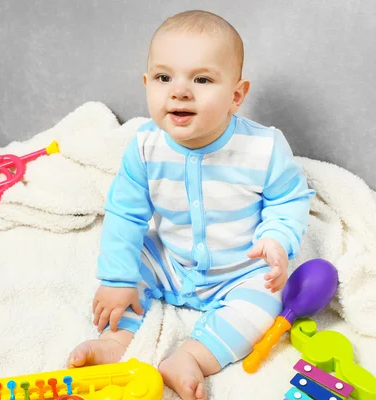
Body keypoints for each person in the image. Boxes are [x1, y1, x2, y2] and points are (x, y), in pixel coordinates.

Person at [67, 9, 315, 400]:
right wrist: (116, 279)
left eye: (201, 79)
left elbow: (289, 200)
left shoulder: (262, 147)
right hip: (170, 258)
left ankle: (193, 357)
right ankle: (117, 342)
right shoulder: (145, 146)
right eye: (164, 78)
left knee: (265, 302)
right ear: (147, 84)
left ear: (236, 95)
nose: (180, 91)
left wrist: (276, 238)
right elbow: (125, 213)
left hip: (239, 268)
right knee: (132, 267)